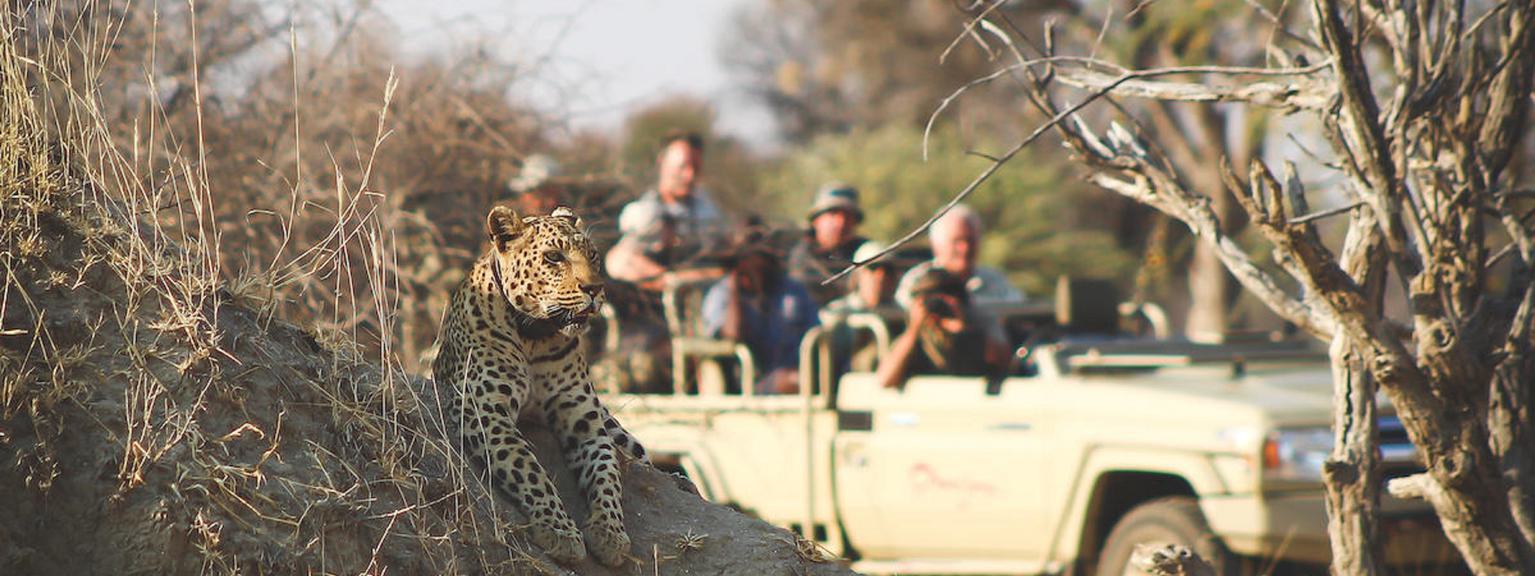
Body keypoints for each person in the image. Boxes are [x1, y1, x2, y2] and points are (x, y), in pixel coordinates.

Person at [605, 131, 728, 287]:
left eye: (696, 168)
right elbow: (618, 263)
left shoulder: (710, 214)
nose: (690, 175)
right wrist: (667, 278)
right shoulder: (643, 213)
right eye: (682, 166)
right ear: (662, 162)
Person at [701, 243, 820, 395]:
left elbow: (815, 329)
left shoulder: (791, 290)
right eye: (749, 265)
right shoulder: (721, 294)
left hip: (794, 368)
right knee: (798, 381)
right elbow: (732, 334)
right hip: (748, 382)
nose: (757, 271)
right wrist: (734, 291)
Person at [876, 268, 1011, 391]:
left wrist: (964, 332)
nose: (939, 306)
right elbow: (885, 380)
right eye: (931, 298)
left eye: (947, 297)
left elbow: (1004, 363)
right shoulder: (914, 341)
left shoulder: (975, 330)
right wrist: (914, 329)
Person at [895, 204, 1025, 309]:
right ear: (936, 244)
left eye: (971, 240)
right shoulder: (916, 281)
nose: (965, 248)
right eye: (957, 241)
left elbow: (1020, 311)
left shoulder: (995, 280)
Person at [788, 182, 869, 305]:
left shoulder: (866, 256)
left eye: (848, 216)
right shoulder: (793, 256)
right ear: (816, 220)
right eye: (833, 214)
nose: (841, 223)